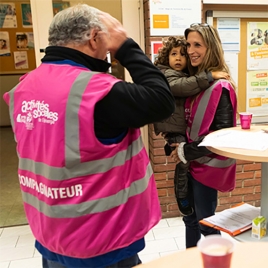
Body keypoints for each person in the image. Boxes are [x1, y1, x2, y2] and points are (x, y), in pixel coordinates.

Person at [3, 4, 175, 268]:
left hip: (51, 232)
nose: (108, 50)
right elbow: (162, 101)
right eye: (106, 41)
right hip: (100, 239)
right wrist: (126, 46)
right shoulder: (97, 92)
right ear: (95, 38)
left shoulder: (24, 87)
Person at [170, 23, 237, 248]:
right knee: (189, 219)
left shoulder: (221, 86)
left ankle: (215, 262)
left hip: (205, 166)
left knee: (206, 224)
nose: (190, 51)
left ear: (211, 48)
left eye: (197, 44)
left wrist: (184, 151)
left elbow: (222, 135)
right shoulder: (194, 83)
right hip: (189, 163)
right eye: (188, 44)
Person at [153, 36, 229, 217]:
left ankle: (184, 195)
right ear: (166, 58)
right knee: (182, 163)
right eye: (173, 54)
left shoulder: (187, 76)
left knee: (184, 163)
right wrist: (210, 76)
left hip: (183, 131)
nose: (178, 58)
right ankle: (182, 195)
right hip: (174, 131)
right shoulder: (167, 75)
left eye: (182, 54)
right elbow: (182, 87)